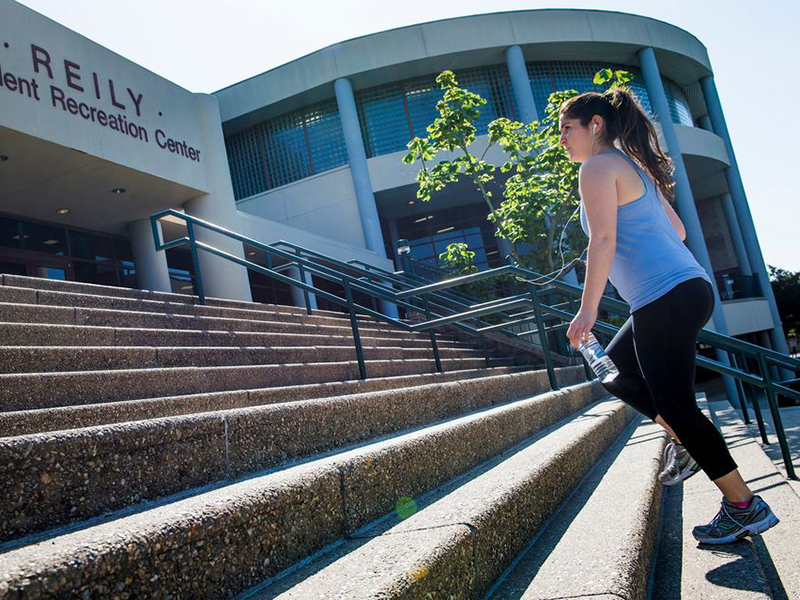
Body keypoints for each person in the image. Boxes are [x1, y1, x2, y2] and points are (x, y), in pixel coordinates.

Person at [560, 87, 779, 545]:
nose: (561, 139)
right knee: (617, 372)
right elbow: (676, 229)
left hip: (666, 296)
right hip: (684, 289)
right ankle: (684, 441)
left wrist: (587, 309)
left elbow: (601, 241)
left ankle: (744, 505)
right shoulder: (633, 167)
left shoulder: (597, 167)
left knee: (677, 402)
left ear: (595, 125)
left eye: (567, 128)